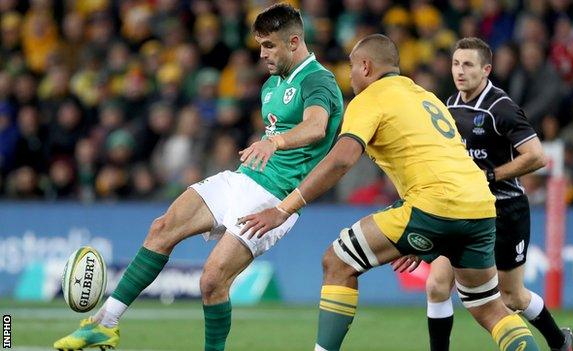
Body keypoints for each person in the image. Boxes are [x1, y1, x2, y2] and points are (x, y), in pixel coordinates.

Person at [53, 4, 343, 351]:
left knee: (211, 282)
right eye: (260, 45)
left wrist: (275, 141)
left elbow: (316, 126)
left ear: (294, 41)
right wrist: (268, 145)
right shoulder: (271, 85)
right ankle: (104, 323)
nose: (262, 53)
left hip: (275, 198)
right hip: (242, 179)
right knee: (162, 228)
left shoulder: (318, 80)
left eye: (269, 45)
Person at [239, 34, 541, 351]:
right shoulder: (427, 97)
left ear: (366, 67)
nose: (351, 76)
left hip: (435, 204)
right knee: (489, 307)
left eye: (352, 68)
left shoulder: (370, 99)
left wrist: (282, 209)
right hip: (479, 207)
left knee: (337, 261)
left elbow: (341, 160)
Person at [424, 37, 573, 351]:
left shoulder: (500, 107)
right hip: (462, 210)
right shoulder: (449, 105)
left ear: (486, 69)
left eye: (468, 65)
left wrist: (491, 175)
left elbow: (536, 156)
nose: (460, 71)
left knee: (512, 297)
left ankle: (560, 342)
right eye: (456, 63)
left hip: (505, 209)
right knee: (437, 285)